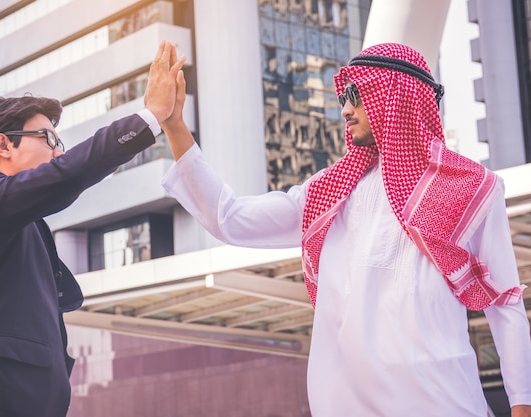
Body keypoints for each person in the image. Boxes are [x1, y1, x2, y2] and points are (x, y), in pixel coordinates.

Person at [159, 43, 531, 416]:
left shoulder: (469, 188)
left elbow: (505, 303)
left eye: (355, 94)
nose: (345, 109)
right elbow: (231, 218)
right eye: (343, 95)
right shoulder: (329, 192)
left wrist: (522, 407)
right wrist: (174, 126)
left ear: (395, 95)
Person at [0, 41, 185, 417]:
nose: (58, 151)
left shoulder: (29, 224)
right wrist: (149, 116)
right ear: (3, 144)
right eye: (49, 139)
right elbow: (66, 174)